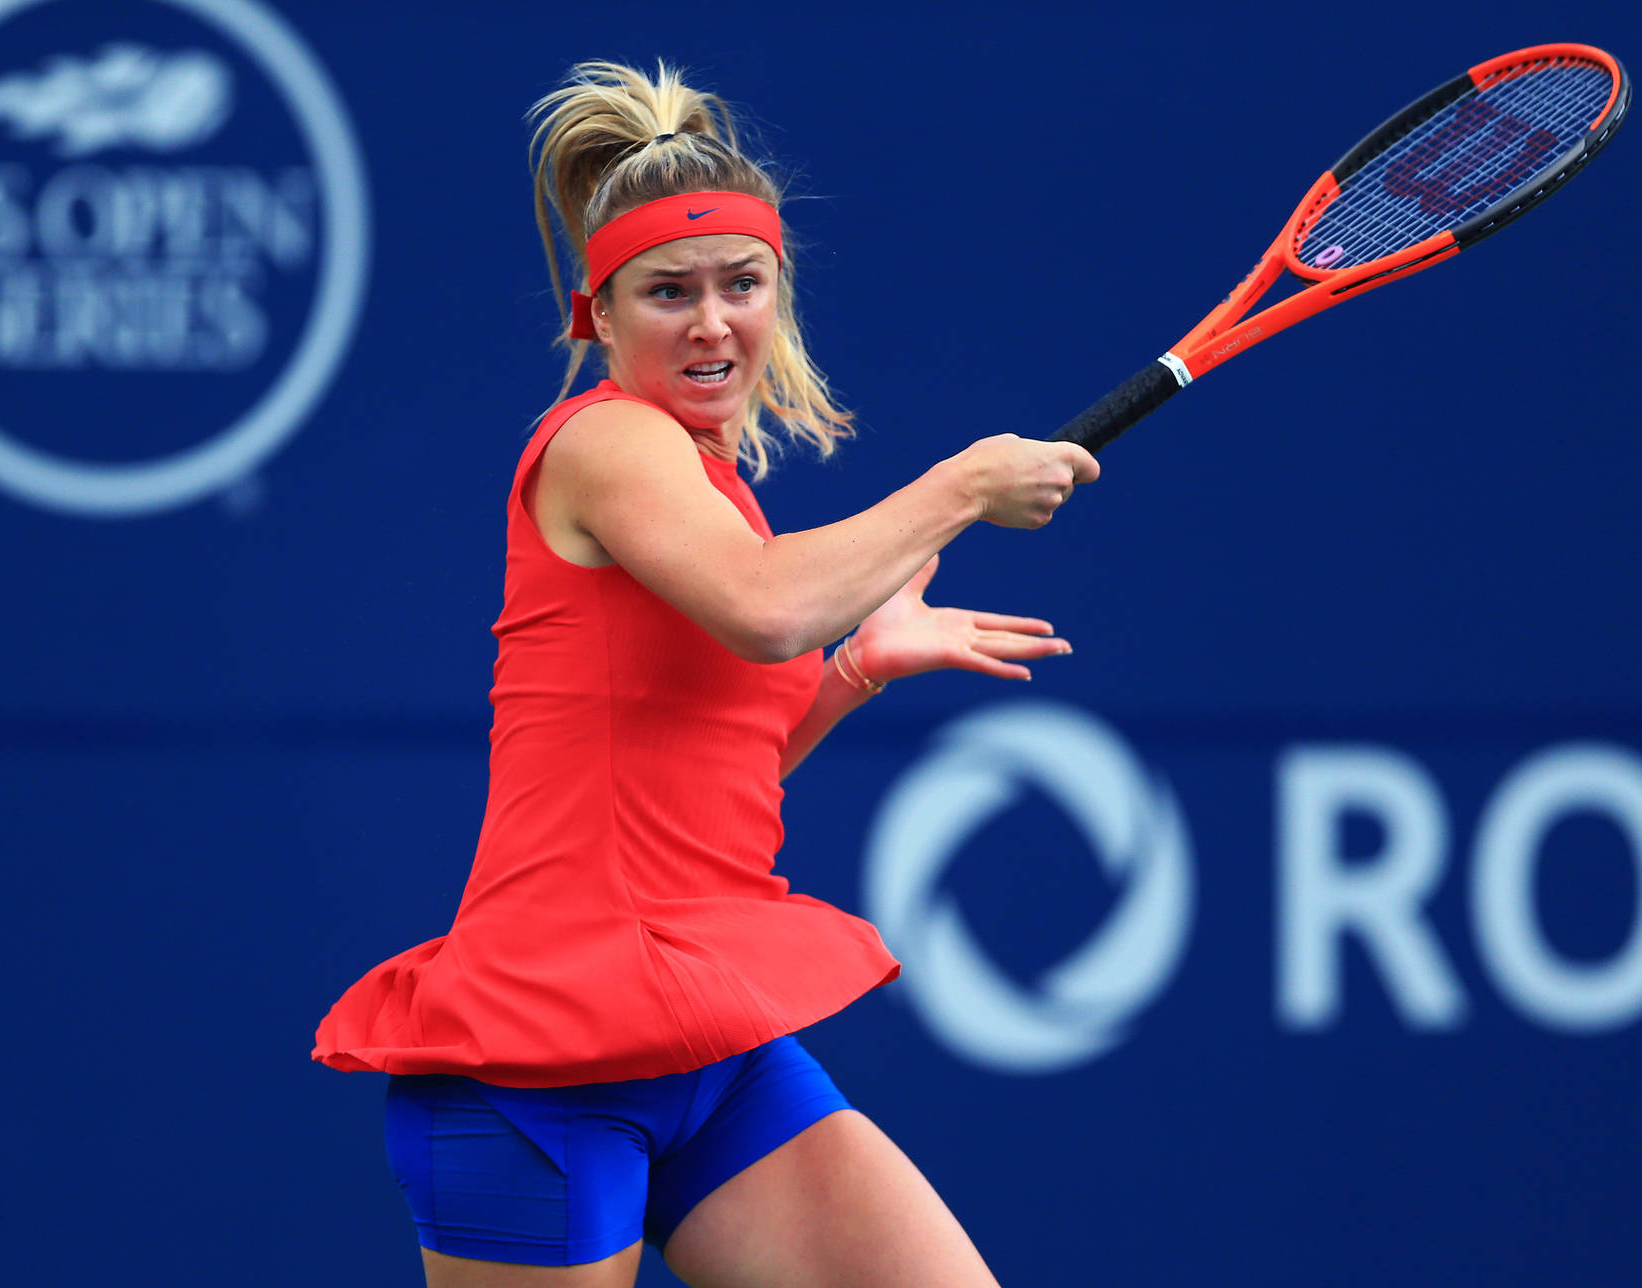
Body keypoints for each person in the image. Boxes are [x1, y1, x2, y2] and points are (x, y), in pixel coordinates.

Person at [313, 59, 1097, 1288]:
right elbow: (767, 610)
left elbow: (697, 756)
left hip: (709, 1051)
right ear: (600, 317)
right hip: (537, 1070)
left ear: (782, 295)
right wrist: (964, 485)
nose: (712, 320)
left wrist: (855, 672)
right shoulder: (608, 440)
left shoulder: (710, 488)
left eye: (743, 284)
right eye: (668, 292)